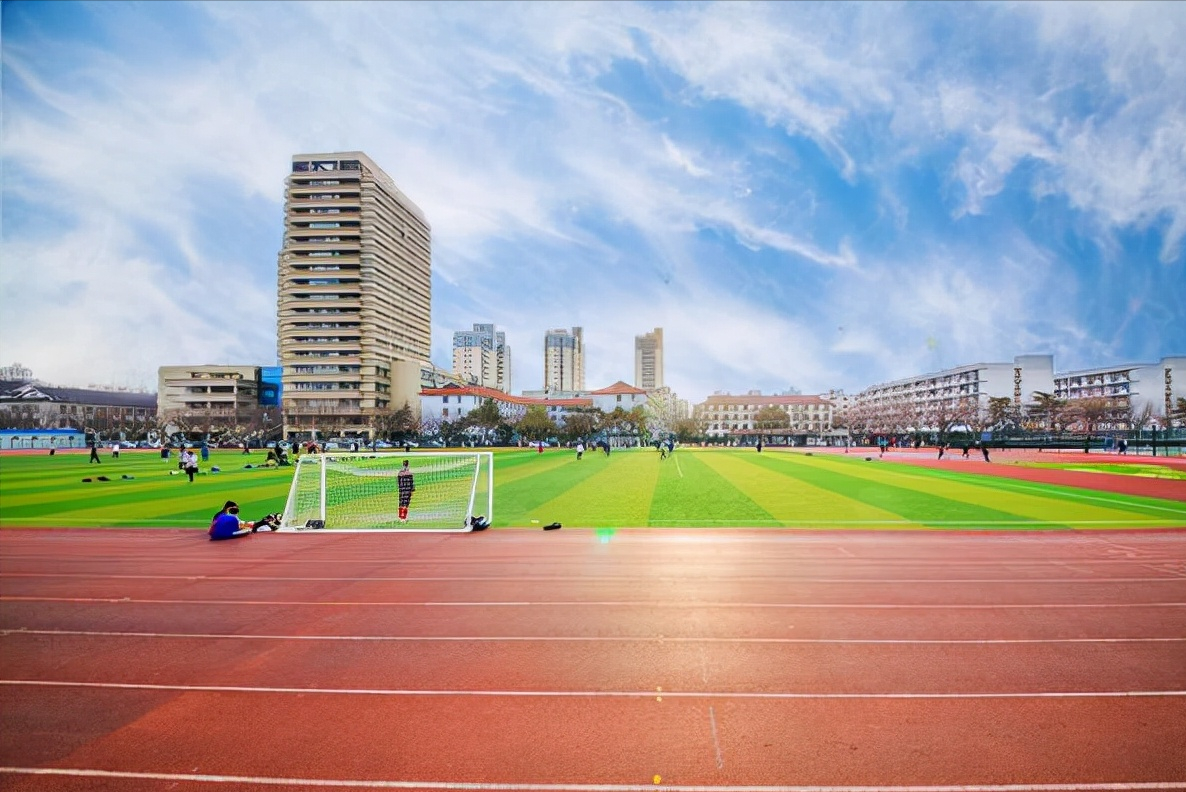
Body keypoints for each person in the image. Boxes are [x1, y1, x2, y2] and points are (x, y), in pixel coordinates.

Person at [208, 501, 279, 540]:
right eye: (236, 508)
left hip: (214, 534)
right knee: (252, 527)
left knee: (251, 525)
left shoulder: (219, 514)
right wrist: (259, 523)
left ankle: (264, 523)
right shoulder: (230, 516)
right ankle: (266, 523)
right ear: (230, 508)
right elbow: (241, 525)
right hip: (227, 532)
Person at [397, 459, 415, 523]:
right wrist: (412, 490)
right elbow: (412, 483)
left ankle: (400, 518)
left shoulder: (400, 473)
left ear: (403, 464)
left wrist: (400, 489)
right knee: (406, 504)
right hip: (408, 490)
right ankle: (403, 518)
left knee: (401, 503)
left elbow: (398, 483)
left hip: (402, 490)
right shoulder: (410, 473)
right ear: (408, 464)